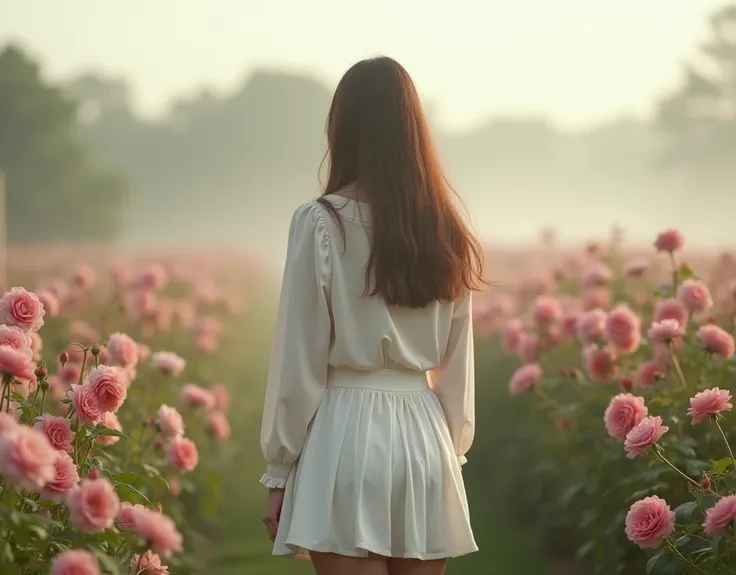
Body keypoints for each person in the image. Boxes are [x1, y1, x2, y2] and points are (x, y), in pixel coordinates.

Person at [259, 56, 484, 575]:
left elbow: (300, 357)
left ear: (344, 127)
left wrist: (278, 470)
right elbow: (458, 366)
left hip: (343, 431)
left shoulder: (321, 223)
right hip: (425, 436)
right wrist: (450, 453)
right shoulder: (446, 229)